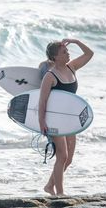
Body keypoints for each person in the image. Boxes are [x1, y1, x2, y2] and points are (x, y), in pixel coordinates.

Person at [38, 38, 93, 196]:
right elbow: (42, 101)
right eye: (64, 52)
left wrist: (75, 41)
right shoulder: (50, 76)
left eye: (67, 51)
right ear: (55, 57)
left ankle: (49, 186)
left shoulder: (72, 67)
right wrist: (42, 122)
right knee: (62, 156)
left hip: (70, 120)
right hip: (54, 119)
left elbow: (89, 54)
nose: (68, 53)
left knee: (68, 160)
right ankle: (60, 193)